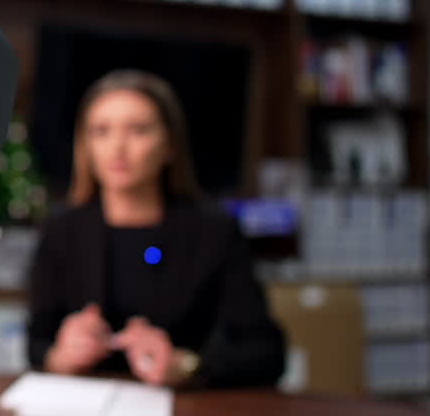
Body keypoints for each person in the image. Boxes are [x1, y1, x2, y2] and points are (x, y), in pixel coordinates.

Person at [27, 69, 286, 387]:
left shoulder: (215, 231)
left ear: (169, 145)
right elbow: (36, 344)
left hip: (188, 414)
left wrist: (186, 365)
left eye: (138, 130)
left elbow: (267, 353)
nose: (117, 147)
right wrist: (61, 356)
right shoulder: (61, 229)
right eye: (101, 131)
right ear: (85, 146)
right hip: (83, 410)